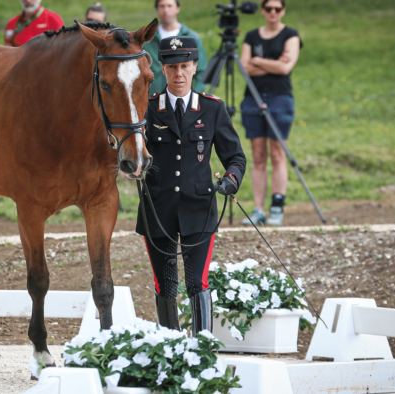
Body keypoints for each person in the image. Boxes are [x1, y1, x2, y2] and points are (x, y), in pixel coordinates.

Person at [137, 36, 246, 336]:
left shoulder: (211, 109)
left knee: (197, 282)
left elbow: (235, 156)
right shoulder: (147, 109)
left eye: (185, 66)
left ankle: (202, 349)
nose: (179, 74)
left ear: (195, 67)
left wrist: (231, 179)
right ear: (162, 68)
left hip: (199, 209)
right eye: (172, 67)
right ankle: (170, 349)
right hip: (158, 209)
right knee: (165, 283)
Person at [239, 0, 301, 226]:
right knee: (257, 155)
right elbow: (243, 67)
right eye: (268, 8)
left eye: (277, 8)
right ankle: (258, 209)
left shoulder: (291, 35)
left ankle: (277, 205)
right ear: (263, 11)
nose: (272, 12)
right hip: (252, 98)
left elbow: (286, 67)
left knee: (277, 152)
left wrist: (257, 61)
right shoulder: (251, 36)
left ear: (283, 10)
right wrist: (273, 63)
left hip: (280, 98)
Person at [143, 0, 207, 96]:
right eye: (162, 6)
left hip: (184, 101)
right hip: (153, 102)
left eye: (169, 6)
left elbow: (202, 72)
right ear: (157, 9)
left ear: (177, 8)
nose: (165, 10)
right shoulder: (148, 39)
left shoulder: (192, 38)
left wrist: (194, 98)